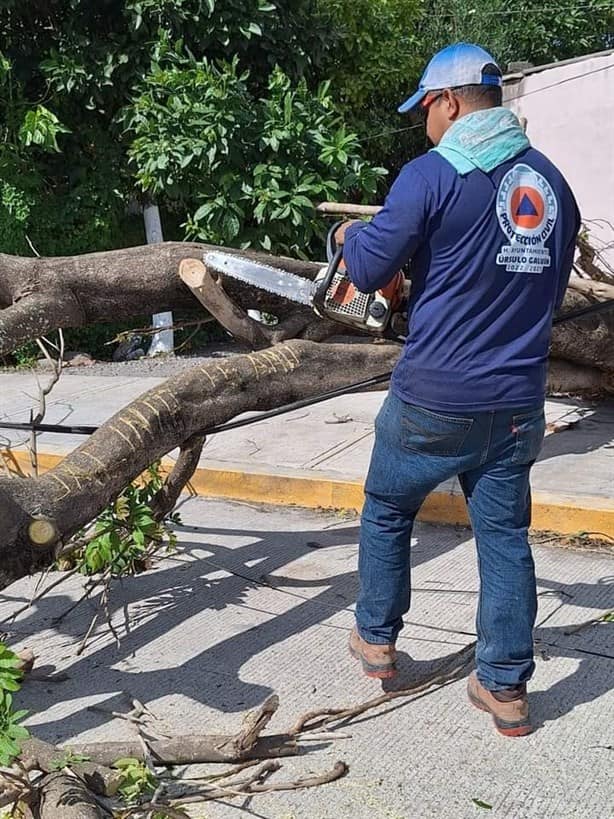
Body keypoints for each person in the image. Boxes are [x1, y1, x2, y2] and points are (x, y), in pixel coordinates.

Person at [336, 43, 581, 737]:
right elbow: (549, 291)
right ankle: (505, 687)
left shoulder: (429, 175)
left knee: (387, 506)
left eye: (424, 111)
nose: (424, 125)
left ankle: (378, 644)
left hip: (433, 398)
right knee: (504, 534)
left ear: (447, 102)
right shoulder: (554, 185)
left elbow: (373, 261)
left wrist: (350, 236)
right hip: (516, 403)